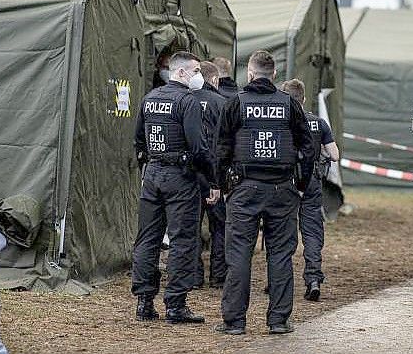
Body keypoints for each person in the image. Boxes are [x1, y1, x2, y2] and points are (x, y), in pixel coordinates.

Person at [214, 50, 316, 335]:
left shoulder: (236, 103)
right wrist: (302, 184)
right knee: (281, 256)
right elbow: (308, 148)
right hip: (282, 190)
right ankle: (279, 320)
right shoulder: (289, 104)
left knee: (238, 256)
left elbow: (220, 149)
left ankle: (234, 322)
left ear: (249, 73)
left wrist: (223, 186)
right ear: (274, 75)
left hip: (244, 189)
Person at [132, 51, 220, 324]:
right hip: (181, 177)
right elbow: (199, 148)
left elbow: (138, 142)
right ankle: (176, 305)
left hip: (153, 174)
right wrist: (213, 182)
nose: (199, 77)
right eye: (195, 71)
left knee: (148, 238)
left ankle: (144, 302)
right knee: (183, 240)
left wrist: (149, 168)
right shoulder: (187, 101)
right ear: (180, 72)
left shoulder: (149, 99)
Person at [280, 79, 339, 302]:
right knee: (312, 231)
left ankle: (276, 280)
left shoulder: (281, 121)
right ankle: (313, 278)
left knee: (281, 231)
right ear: (303, 99)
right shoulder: (319, 123)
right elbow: (335, 155)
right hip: (312, 181)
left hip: (286, 181)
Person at [192, 61, 228, 289]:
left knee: (190, 225)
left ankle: (194, 276)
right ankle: (218, 276)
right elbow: (226, 144)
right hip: (215, 175)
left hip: (190, 174)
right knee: (220, 227)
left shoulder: (185, 99)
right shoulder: (222, 103)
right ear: (214, 80)